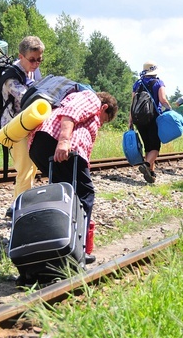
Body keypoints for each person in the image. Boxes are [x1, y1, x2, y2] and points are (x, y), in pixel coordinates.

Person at [28, 90, 118, 264]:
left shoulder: (83, 100)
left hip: (42, 145)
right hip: (58, 144)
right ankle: (77, 249)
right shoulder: (91, 98)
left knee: (65, 196)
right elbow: (71, 112)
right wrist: (63, 141)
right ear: (104, 107)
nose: (100, 124)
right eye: (103, 120)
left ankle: (59, 246)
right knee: (85, 193)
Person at [0, 36, 44, 199]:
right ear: (21, 57)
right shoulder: (10, 76)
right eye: (32, 60)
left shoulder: (33, 70)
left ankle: (16, 206)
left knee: (31, 168)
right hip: (15, 128)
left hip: (30, 125)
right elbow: (28, 98)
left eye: (39, 59)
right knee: (25, 169)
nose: (36, 64)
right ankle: (21, 210)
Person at [129, 61, 172, 184]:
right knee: (155, 147)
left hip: (138, 118)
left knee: (148, 145)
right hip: (153, 117)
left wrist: (130, 120)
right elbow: (163, 99)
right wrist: (170, 110)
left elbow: (133, 104)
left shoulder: (137, 84)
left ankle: (151, 172)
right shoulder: (158, 82)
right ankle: (146, 164)